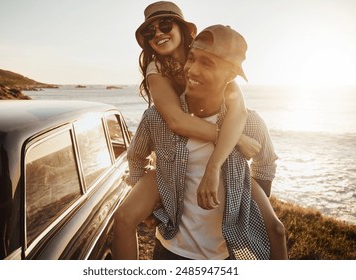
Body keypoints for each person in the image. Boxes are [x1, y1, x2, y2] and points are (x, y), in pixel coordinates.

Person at [113, 1, 287, 259]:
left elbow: (242, 117)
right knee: (124, 217)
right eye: (150, 32)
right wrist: (235, 139)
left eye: (164, 25)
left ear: (184, 30)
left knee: (276, 230)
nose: (158, 34)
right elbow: (174, 121)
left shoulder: (243, 110)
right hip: (171, 171)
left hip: (222, 249)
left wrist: (246, 203)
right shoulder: (157, 71)